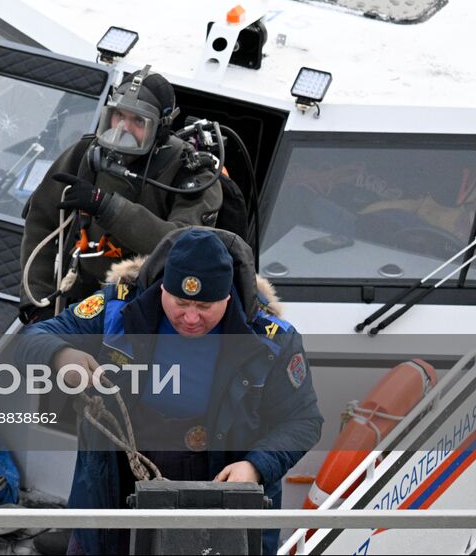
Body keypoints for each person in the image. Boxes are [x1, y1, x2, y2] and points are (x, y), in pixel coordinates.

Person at [16, 226, 323, 555]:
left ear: (228, 297)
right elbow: (32, 337)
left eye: (205, 307)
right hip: (111, 500)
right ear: (163, 288)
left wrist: (257, 467)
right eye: (181, 302)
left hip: (220, 508)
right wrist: (61, 354)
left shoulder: (272, 340)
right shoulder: (115, 310)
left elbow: (303, 421)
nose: (190, 318)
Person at [19, 67, 222, 321]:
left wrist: (107, 207)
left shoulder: (192, 174)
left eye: (138, 121)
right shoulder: (85, 154)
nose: (124, 128)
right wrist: (38, 301)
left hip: (147, 315)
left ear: (161, 126)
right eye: (118, 116)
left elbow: (184, 247)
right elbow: (41, 222)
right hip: (74, 303)